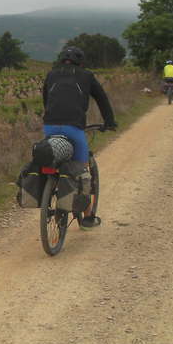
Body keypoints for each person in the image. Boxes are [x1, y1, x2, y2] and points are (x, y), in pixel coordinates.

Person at [42, 46, 117, 228]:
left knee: (51, 160)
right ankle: (88, 217)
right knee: (82, 171)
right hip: (73, 129)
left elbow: (46, 99)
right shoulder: (86, 76)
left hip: (49, 126)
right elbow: (102, 99)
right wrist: (109, 122)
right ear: (81, 62)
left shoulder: (51, 75)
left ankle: (49, 190)